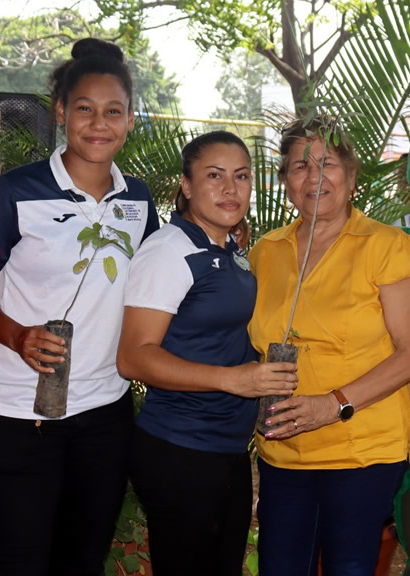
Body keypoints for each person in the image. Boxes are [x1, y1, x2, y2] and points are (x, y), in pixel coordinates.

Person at [0, 38, 158, 575]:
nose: (99, 124)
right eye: (85, 109)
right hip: (18, 415)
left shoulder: (138, 202)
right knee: (21, 563)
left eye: (114, 111)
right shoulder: (14, 193)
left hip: (105, 415)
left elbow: (162, 275)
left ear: (128, 120)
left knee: (82, 562)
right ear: (60, 112)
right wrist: (17, 336)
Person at [247, 117, 410, 575]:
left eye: (326, 164)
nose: (313, 177)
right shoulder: (264, 251)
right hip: (282, 451)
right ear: (285, 181)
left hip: (360, 453)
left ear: (351, 178)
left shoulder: (388, 247)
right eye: (298, 167)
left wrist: (334, 405)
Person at [116, 130, 297, 575]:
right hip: (180, 448)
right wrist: (233, 379)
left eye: (242, 176)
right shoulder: (169, 251)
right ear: (186, 185)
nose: (230, 189)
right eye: (214, 176)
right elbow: (134, 357)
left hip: (226, 448)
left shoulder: (229, 249)